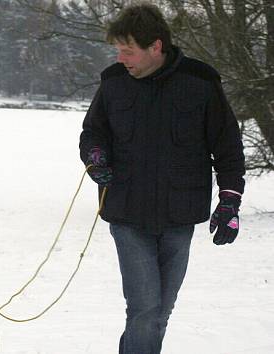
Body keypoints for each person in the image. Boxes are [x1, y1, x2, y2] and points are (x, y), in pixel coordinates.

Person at [78, 3, 245, 354]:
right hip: (127, 213)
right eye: (118, 51)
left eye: (128, 51)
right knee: (145, 308)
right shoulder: (113, 83)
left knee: (159, 312)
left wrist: (230, 200)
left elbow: (227, 146)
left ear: (156, 46)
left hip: (180, 215)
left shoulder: (201, 83)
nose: (122, 58)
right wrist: (96, 159)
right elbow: (92, 133)